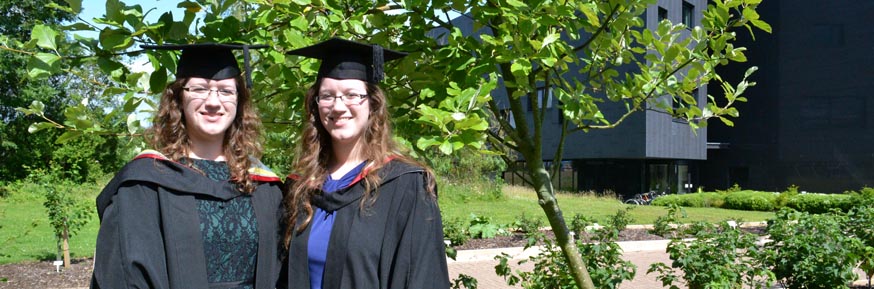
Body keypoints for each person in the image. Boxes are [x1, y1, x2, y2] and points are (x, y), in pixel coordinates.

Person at [91, 43, 284, 289]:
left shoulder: (265, 186)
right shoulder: (147, 181)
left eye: (226, 91)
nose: (213, 102)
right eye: (200, 89)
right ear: (179, 98)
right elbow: (125, 276)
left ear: (239, 101)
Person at [280, 38, 451, 289]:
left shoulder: (406, 185)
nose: (338, 107)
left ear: (373, 105)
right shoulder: (300, 188)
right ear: (315, 106)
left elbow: (424, 276)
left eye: (352, 95)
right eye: (327, 96)